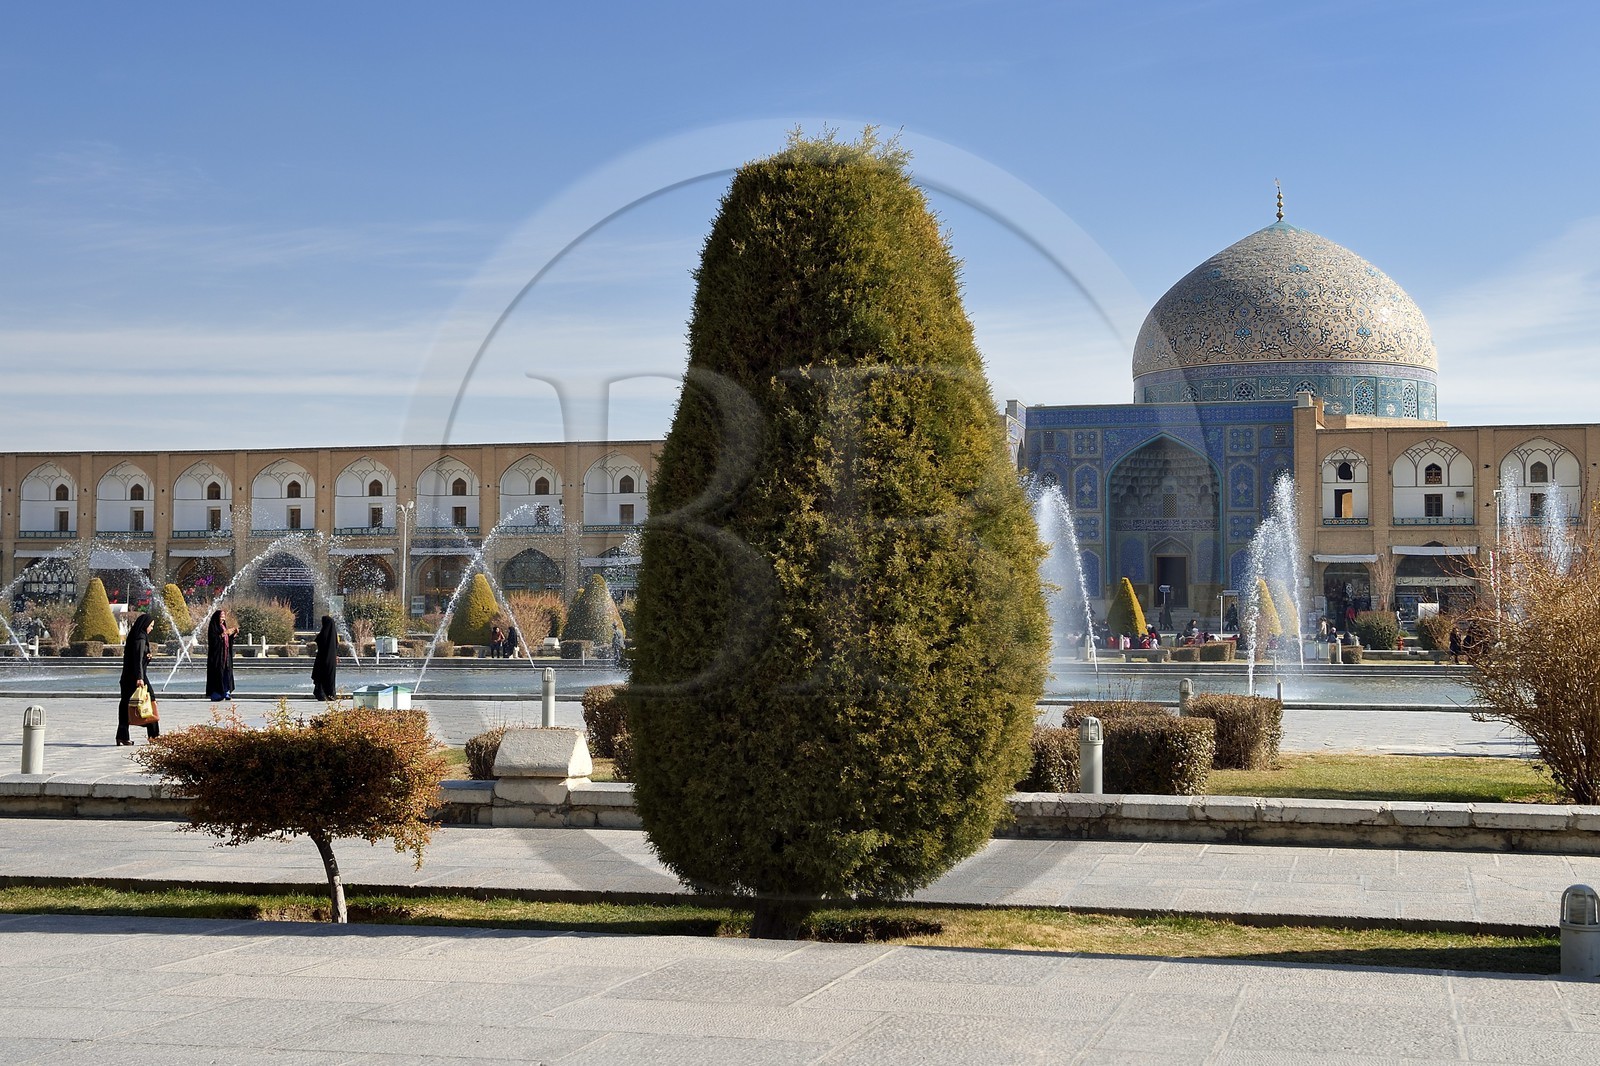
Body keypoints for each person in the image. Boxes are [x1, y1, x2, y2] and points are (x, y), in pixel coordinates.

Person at [116, 613, 159, 745]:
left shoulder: (134, 637)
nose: (151, 628)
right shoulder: (140, 638)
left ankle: (122, 736)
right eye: (151, 626)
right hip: (137, 678)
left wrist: (147, 658)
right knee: (151, 701)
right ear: (145, 625)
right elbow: (138, 660)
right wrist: (140, 678)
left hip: (127, 677)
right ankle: (154, 736)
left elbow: (138, 659)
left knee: (125, 705)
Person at [205, 609, 236, 701]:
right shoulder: (213, 626)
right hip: (217, 656)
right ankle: (216, 693)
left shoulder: (223, 626)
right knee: (217, 672)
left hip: (225, 654)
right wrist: (224, 633)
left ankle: (226, 691)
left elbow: (226, 640)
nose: (223, 617)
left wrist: (232, 635)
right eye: (221, 615)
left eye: (224, 615)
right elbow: (213, 640)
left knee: (226, 671)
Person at [310, 615, 339, 701]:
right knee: (329, 676)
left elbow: (319, 641)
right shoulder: (333, 635)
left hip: (322, 659)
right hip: (331, 660)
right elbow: (335, 647)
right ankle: (330, 694)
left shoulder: (324, 633)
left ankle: (322, 694)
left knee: (321, 675)